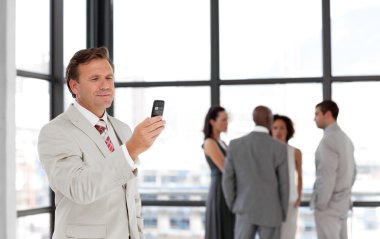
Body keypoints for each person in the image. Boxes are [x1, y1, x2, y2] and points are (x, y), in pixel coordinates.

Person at [38, 47, 165, 239]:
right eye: (95, 79)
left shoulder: (122, 129)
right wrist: (130, 150)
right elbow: (80, 188)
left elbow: (132, 196)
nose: (105, 85)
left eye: (109, 78)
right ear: (74, 87)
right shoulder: (55, 132)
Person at [222, 105, 289, 239]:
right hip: (271, 211)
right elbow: (284, 184)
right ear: (269, 120)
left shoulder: (235, 145)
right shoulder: (279, 148)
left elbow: (227, 179)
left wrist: (234, 205)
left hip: (244, 209)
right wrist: (282, 212)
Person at [311, 100, 356, 239]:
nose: (314, 118)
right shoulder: (346, 139)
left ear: (328, 114)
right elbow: (353, 173)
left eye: (317, 114)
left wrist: (320, 205)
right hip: (342, 206)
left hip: (329, 209)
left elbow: (326, 176)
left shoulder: (328, 140)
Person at [202, 106, 235, 239]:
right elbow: (226, 168)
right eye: (223, 120)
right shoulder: (209, 142)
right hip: (220, 191)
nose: (226, 123)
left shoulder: (223, 143)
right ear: (212, 122)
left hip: (227, 188)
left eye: (227, 120)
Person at [271, 114, 302, 239]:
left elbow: (299, 176)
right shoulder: (267, 152)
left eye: (282, 128)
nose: (278, 131)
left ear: (287, 130)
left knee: (288, 234)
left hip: (290, 201)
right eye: (275, 128)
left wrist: (299, 197)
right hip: (271, 202)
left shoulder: (295, 152)